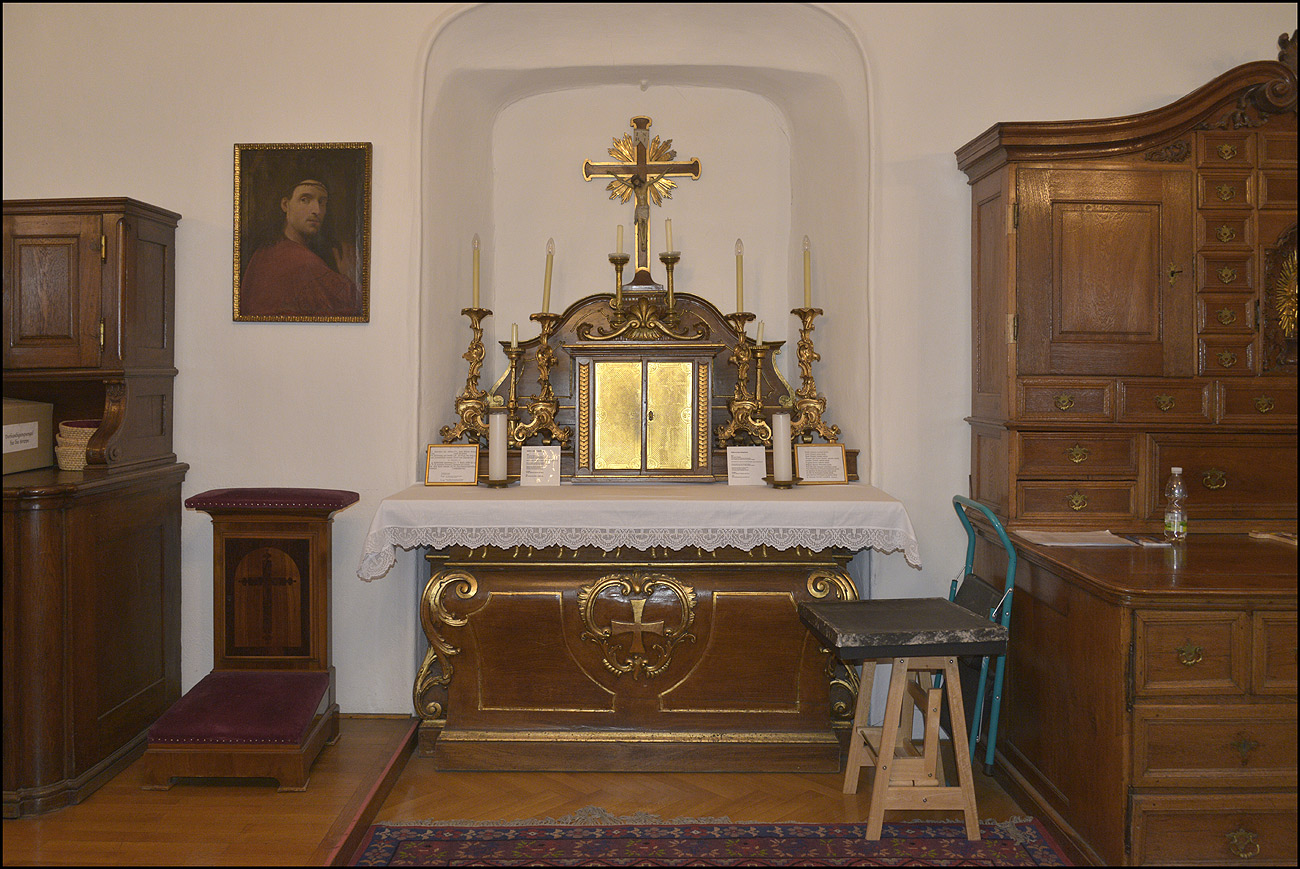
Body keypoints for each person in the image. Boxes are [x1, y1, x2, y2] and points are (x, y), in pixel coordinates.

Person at [239, 173, 360, 318]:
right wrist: (349, 275)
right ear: (285, 205)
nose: (317, 210)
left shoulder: (268, 249)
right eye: (305, 200)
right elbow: (352, 306)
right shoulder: (303, 262)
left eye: (322, 202)